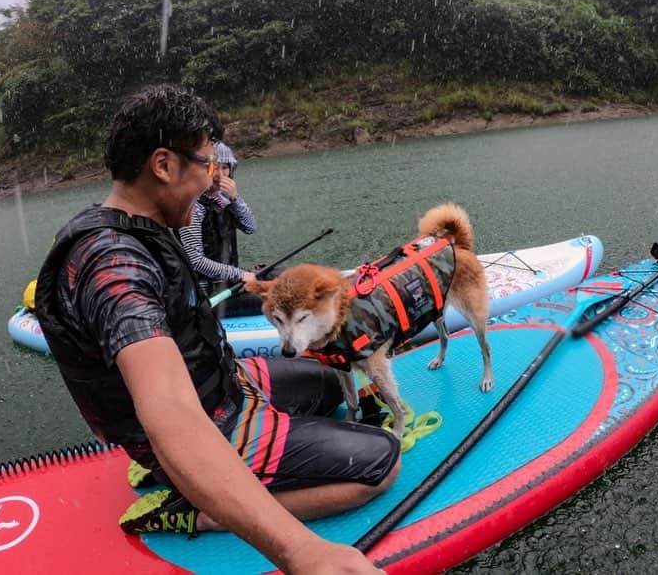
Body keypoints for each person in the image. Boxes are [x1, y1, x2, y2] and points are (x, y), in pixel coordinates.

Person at [34, 85, 400, 575]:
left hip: (224, 387)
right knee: (381, 463)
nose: (213, 179)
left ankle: (198, 465)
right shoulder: (113, 264)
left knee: (322, 383)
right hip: (205, 422)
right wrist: (302, 553)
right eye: (206, 165)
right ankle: (200, 509)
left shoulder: (142, 224)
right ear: (163, 165)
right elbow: (171, 412)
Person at [176, 140, 264, 316]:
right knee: (273, 297)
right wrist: (240, 274)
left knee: (282, 277)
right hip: (206, 295)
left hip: (228, 284)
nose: (220, 175)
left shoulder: (223, 202)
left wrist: (235, 199)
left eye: (225, 168)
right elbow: (195, 260)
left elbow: (250, 227)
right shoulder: (194, 206)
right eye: (215, 167)